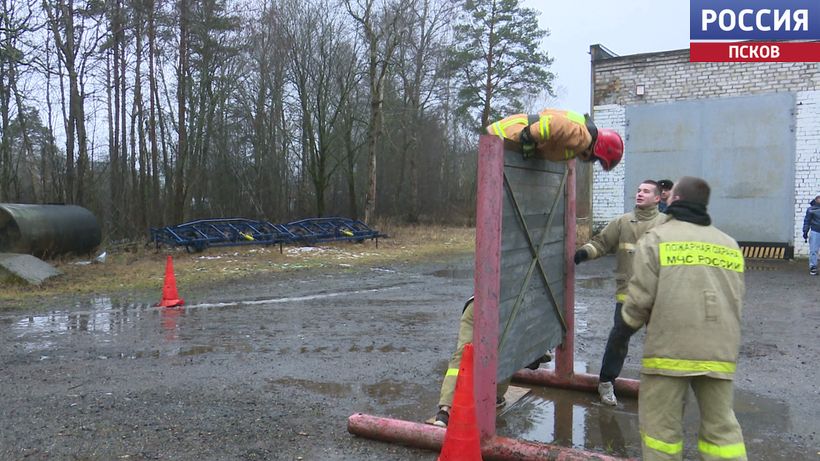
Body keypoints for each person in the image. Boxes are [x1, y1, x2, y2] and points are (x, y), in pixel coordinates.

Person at [621, 176, 747, 461]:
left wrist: (626, 324)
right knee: (723, 432)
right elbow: (736, 298)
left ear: (674, 199)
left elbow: (640, 296)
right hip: (719, 352)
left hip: (669, 352)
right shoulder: (729, 244)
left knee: (660, 433)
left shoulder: (656, 239)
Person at [573, 180, 667, 405]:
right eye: (639, 190)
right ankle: (606, 384)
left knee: (661, 344)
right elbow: (601, 242)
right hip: (629, 295)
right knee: (618, 340)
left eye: (646, 191)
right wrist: (584, 253)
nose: (640, 194)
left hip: (659, 296)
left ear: (657, 198)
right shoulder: (623, 222)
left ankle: (664, 390)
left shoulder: (667, 224)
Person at [433, 297, 551, 427]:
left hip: (478, 304)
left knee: (464, 354)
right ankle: (495, 397)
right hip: (509, 309)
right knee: (505, 353)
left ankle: (445, 411)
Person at [485, 108, 624, 171]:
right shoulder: (583, 139)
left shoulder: (581, 137)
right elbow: (555, 124)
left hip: (504, 139)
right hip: (507, 135)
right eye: (597, 160)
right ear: (598, 150)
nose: (591, 162)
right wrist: (528, 135)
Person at [802, 195, 820, 276]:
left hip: (815, 231)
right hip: (815, 231)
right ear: (816, 200)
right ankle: (813, 267)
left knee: (813, 250)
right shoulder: (811, 210)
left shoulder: (811, 209)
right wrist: (805, 232)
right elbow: (807, 221)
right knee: (813, 250)